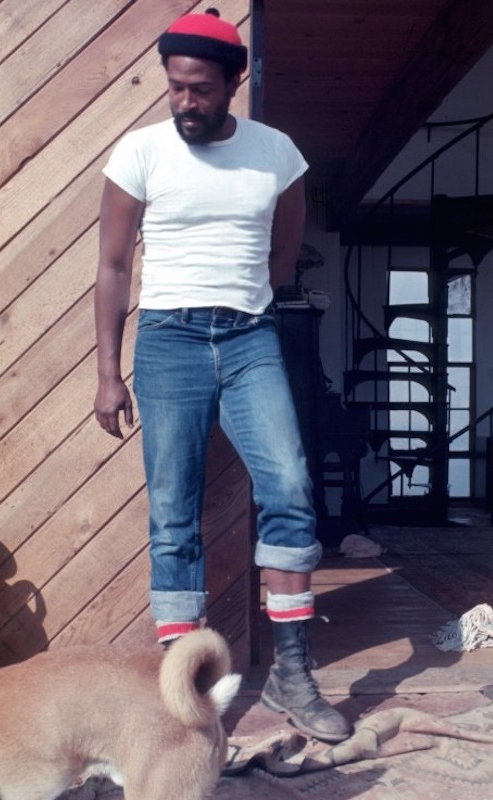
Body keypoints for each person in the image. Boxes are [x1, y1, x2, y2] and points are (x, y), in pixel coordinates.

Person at [93, 8, 351, 744]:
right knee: (174, 513)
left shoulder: (278, 155)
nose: (184, 103)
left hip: (248, 341)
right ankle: (184, 696)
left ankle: (293, 674)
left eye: (199, 90)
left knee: (291, 488)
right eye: (174, 88)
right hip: (168, 340)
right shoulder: (139, 152)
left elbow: (282, 252)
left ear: (233, 83)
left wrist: (246, 305)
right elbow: (112, 269)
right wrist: (108, 373)